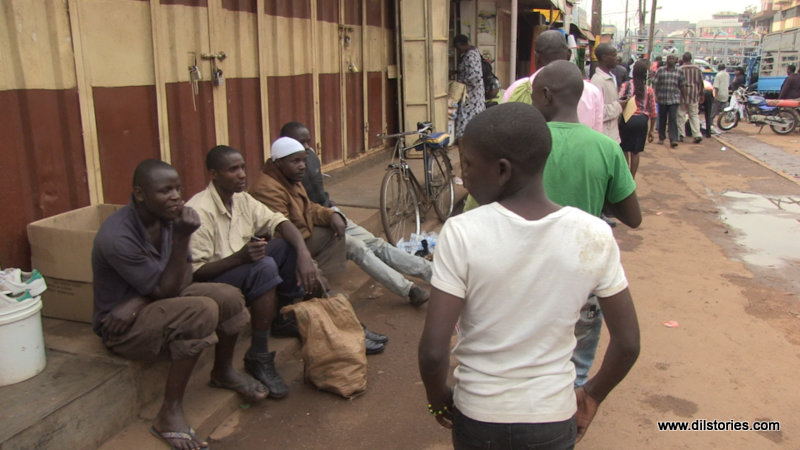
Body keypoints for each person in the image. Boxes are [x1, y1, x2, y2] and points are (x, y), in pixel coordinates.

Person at [418, 101, 640, 448]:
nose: (465, 177)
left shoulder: (462, 232)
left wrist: (437, 398)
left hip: (479, 416)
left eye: (469, 165)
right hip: (551, 417)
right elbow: (627, 344)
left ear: (503, 170)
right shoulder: (594, 234)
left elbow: (433, 352)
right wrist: (592, 394)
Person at [92, 160, 264, 450]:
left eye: (177, 188)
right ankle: (168, 414)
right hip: (122, 327)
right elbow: (167, 287)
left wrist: (138, 299)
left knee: (229, 296)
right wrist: (183, 237)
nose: (175, 196)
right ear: (139, 194)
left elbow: (183, 278)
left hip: (150, 303)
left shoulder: (169, 218)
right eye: (164, 191)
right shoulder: (118, 236)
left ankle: (223, 371)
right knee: (202, 310)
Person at [185, 145, 322, 399]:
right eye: (232, 170)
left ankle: (281, 318)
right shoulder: (200, 211)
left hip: (244, 265)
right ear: (214, 174)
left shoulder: (242, 199)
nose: (241, 175)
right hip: (215, 277)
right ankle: (258, 354)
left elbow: (279, 222)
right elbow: (194, 273)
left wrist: (304, 254)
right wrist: (240, 259)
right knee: (264, 266)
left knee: (287, 244)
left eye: (243, 168)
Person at [250, 137, 388, 354]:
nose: (302, 166)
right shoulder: (267, 189)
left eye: (303, 160)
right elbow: (283, 232)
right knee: (318, 279)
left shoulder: (289, 178)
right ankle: (348, 327)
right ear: (278, 163)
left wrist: (331, 215)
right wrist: (308, 261)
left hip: (300, 240)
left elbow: (310, 209)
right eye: (295, 161)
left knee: (335, 233)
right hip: (283, 250)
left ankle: (319, 294)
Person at [280, 121, 432, 306]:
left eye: (307, 142)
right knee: (359, 248)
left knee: (377, 244)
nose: (305, 149)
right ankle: (408, 289)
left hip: (329, 213)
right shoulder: (278, 177)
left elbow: (318, 192)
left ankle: (433, 273)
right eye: (299, 143)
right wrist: (326, 214)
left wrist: (330, 209)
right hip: (315, 226)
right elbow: (296, 216)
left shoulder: (309, 157)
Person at [501, 30, 603, 133]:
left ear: (536, 57)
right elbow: (598, 132)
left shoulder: (517, 89)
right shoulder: (592, 92)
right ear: (568, 55)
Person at [618, 59, 657, 178]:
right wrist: (651, 131)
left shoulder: (626, 86)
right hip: (641, 122)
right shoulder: (649, 90)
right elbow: (653, 112)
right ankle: (632, 176)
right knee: (635, 152)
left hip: (626, 120)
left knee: (624, 149)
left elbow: (619, 102)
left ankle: (625, 177)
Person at [591, 43, 627, 143]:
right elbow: (598, 112)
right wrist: (619, 106)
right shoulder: (598, 81)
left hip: (613, 134)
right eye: (614, 55)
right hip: (605, 137)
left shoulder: (611, 77)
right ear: (604, 57)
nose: (617, 58)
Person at [453, 34, 485, 138]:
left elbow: (474, 77)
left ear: (462, 45)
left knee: (468, 117)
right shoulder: (470, 53)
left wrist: (460, 81)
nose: (458, 51)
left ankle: (468, 138)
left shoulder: (471, 55)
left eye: (458, 48)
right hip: (472, 94)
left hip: (472, 95)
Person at [653, 52, 685, 148]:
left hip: (674, 99)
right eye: (669, 58)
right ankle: (661, 137)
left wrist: (683, 97)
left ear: (676, 61)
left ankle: (673, 139)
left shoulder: (679, 71)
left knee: (672, 119)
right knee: (662, 118)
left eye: (673, 58)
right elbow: (655, 83)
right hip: (662, 98)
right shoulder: (661, 70)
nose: (671, 60)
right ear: (666, 60)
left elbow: (682, 85)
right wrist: (655, 95)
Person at [676, 52, 704, 144]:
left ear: (683, 59)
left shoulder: (679, 69)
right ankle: (697, 134)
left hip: (681, 95)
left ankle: (681, 134)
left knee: (681, 115)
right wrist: (701, 94)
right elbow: (701, 83)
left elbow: (677, 83)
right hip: (694, 94)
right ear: (691, 59)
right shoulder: (697, 69)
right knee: (694, 115)